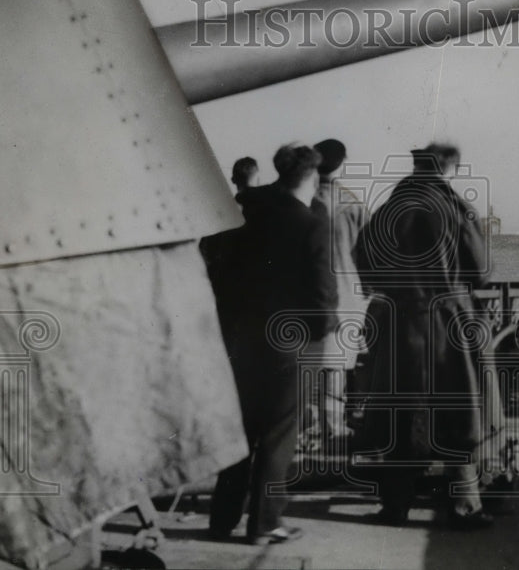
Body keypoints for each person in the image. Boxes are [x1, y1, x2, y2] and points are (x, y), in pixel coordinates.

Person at [355, 142, 499, 530]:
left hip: (402, 320)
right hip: (449, 320)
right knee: (458, 410)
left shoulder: (390, 208)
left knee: (402, 413)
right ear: (450, 169)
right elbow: (482, 270)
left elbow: (362, 255)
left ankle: (395, 507)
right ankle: (465, 506)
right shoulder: (456, 209)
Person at [209, 144, 336, 545]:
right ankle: (265, 523)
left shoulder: (247, 210)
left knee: (241, 430)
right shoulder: (311, 223)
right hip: (290, 345)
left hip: (240, 339)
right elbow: (323, 296)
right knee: (280, 434)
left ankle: (222, 517)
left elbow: (214, 266)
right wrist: (322, 331)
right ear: (312, 177)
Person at [307, 139, 369, 445]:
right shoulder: (354, 205)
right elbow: (367, 257)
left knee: (308, 361)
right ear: (342, 163)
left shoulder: (302, 203)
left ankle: (309, 425)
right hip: (347, 293)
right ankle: (334, 424)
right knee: (337, 363)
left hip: (306, 294)